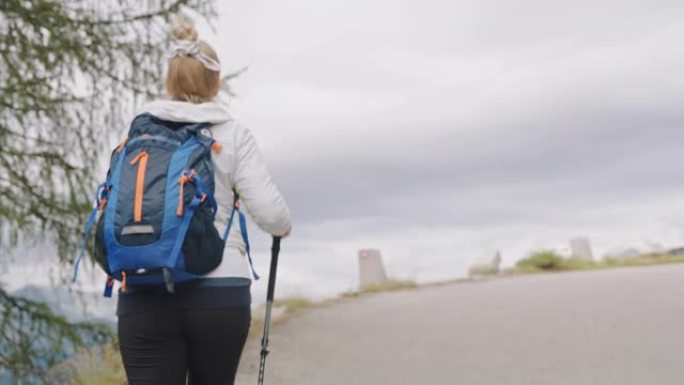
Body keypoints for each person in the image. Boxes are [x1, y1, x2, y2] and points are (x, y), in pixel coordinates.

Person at [115, 19, 292, 385]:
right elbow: (273, 217)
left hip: (145, 287)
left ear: (170, 80)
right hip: (220, 291)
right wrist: (282, 226)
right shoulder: (233, 134)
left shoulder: (138, 132)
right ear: (216, 83)